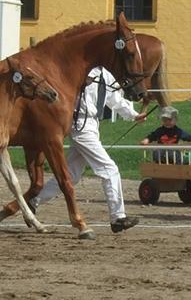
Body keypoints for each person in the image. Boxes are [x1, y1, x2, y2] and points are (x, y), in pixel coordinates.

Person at [31, 66, 147, 234]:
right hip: (80, 125)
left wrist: (133, 114)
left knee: (71, 174)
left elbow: (114, 99)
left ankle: (32, 201)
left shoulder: (105, 74)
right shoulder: (80, 71)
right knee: (109, 169)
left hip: (93, 124)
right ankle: (118, 217)